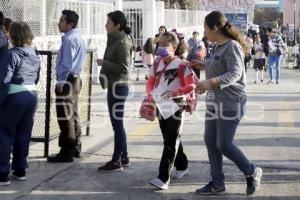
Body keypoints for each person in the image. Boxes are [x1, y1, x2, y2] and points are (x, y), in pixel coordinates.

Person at [191, 11, 262, 196]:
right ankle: (217, 183)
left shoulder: (232, 46)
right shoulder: (217, 46)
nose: (204, 32)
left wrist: (209, 83)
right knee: (210, 141)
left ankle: (252, 171)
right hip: (215, 103)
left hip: (231, 103)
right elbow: (217, 65)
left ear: (215, 28)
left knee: (224, 144)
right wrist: (202, 65)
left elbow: (234, 73)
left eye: (206, 28)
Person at [147, 31, 196, 190]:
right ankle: (182, 166)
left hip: (177, 105)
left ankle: (163, 178)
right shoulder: (156, 63)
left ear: (173, 47)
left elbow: (191, 85)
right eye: (158, 44)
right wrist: (150, 96)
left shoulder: (182, 65)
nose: (159, 47)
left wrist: (175, 93)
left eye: (163, 45)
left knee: (170, 141)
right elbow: (151, 81)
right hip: (161, 104)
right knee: (170, 138)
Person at [0, 22, 40, 186]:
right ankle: (20, 170)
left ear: (12, 35)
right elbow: (36, 78)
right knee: (23, 134)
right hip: (32, 96)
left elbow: (3, 81)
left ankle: (2, 174)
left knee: (4, 134)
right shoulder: (35, 53)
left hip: (15, 97)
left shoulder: (11, 54)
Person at [47, 10, 86, 163]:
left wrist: (60, 82)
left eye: (62, 21)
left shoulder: (70, 39)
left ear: (70, 24)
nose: (59, 23)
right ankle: (75, 147)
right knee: (73, 114)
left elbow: (67, 64)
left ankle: (66, 151)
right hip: (75, 79)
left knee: (65, 116)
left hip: (68, 80)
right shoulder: (78, 37)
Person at [97, 10, 133, 172]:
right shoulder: (114, 38)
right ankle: (124, 156)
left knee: (117, 125)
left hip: (119, 87)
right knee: (118, 125)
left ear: (118, 26)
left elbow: (124, 68)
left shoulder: (122, 43)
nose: (106, 25)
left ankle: (116, 160)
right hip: (114, 85)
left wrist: (104, 63)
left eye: (109, 23)